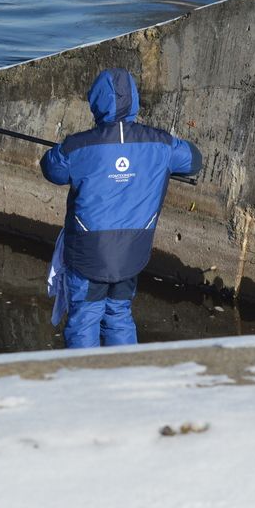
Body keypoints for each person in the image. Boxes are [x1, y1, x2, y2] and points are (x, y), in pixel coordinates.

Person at [40, 68, 201, 348]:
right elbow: (193, 160)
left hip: (90, 253)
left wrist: (64, 150)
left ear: (97, 102)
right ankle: (125, 379)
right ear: (135, 100)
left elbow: (51, 168)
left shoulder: (79, 146)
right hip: (132, 252)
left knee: (84, 320)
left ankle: (85, 385)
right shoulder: (161, 143)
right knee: (119, 314)